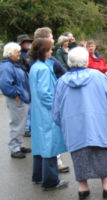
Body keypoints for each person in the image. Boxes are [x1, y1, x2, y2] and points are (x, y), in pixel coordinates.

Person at [52, 47, 107, 199]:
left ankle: (83, 189)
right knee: (102, 152)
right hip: (99, 124)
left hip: (74, 128)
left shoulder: (61, 82)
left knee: (79, 155)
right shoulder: (98, 77)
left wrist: (62, 124)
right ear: (86, 60)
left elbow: (56, 111)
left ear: (69, 62)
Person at [29, 38, 68, 190]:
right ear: (43, 51)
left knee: (39, 144)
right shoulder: (44, 69)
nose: (51, 52)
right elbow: (45, 93)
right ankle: (51, 181)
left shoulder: (35, 67)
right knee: (50, 145)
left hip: (37, 111)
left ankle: (38, 176)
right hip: (46, 112)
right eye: (49, 49)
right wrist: (55, 108)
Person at [0, 42, 31, 159]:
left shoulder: (12, 65)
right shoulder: (7, 67)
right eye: (17, 52)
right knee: (17, 124)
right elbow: (5, 84)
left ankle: (19, 144)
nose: (19, 54)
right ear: (10, 53)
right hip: (16, 100)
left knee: (21, 123)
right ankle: (14, 148)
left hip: (21, 98)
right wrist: (16, 94)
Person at [16, 34, 33, 137]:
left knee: (29, 107)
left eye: (28, 42)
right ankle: (26, 128)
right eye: (25, 42)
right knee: (25, 107)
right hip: (23, 83)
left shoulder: (27, 54)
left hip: (28, 81)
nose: (28, 43)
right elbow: (22, 69)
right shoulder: (20, 55)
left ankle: (28, 127)